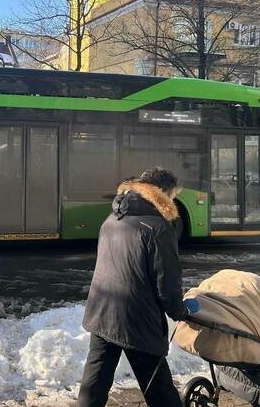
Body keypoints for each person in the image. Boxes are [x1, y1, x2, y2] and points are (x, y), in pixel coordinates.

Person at [78, 168, 187, 407]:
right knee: (159, 386)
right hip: (136, 318)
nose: (173, 200)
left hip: (102, 310)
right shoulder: (157, 227)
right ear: (163, 193)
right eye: (173, 194)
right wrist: (179, 310)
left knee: (95, 380)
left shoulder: (113, 218)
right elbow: (166, 282)